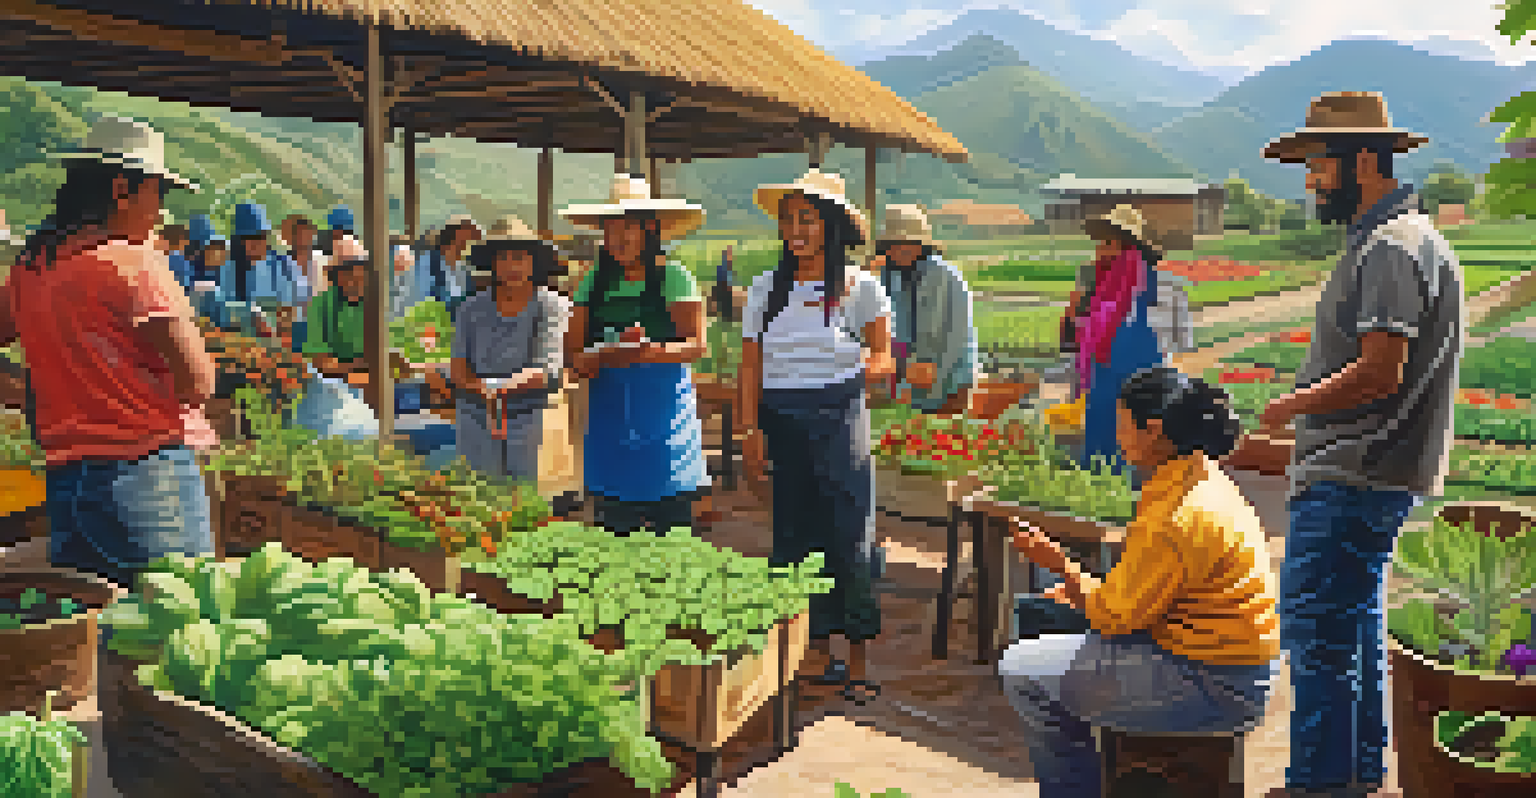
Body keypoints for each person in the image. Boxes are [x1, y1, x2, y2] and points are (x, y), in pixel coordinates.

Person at [1251, 91, 1460, 798]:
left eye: (1317, 165)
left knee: (1317, 636)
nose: (1309, 180)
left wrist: (1289, 406)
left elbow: (1379, 370)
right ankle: (1356, 775)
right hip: (1373, 473)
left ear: (1363, 159)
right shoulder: (1401, 238)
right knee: (1353, 630)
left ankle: (1318, 785)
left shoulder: (1392, 248)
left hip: (1353, 471)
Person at [1000, 366, 1280, 798]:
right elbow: (1144, 597)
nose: (1117, 436)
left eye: (1122, 424)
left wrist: (1058, 563)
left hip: (1211, 683)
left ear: (1152, 431)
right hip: (1229, 666)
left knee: (1020, 671)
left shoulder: (1178, 515)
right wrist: (1079, 591)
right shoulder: (1200, 477)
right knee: (1048, 620)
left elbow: (1117, 618)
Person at [0, 115, 216, 591]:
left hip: (66, 482)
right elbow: (198, 384)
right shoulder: (135, 263)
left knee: (99, 640)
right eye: (157, 195)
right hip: (146, 478)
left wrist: (26, 386)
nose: (160, 212)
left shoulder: (32, 268)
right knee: (179, 634)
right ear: (122, 188)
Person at [739, 169, 896, 705]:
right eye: (788, 220)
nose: (796, 229)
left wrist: (853, 371)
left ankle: (857, 660)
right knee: (794, 538)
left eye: (807, 218)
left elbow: (884, 358)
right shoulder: (766, 290)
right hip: (781, 418)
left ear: (830, 226)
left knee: (849, 535)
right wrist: (748, 430)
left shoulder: (861, 287)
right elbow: (749, 368)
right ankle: (815, 653)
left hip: (840, 414)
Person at [559, 174, 711, 536]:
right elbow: (574, 356)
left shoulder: (673, 277)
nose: (619, 238)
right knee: (614, 533)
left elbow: (695, 346)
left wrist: (647, 352)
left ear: (650, 231)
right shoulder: (593, 282)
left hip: (666, 431)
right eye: (611, 229)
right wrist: (601, 357)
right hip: (608, 430)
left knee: (672, 538)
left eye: (630, 227)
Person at [450, 216, 570, 484]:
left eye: (519, 258)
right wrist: (485, 391)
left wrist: (497, 388)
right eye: (503, 258)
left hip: (532, 420)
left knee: (529, 507)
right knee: (479, 502)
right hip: (476, 418)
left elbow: (547, 369)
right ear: (492, 263)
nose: (511, 266)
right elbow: (458, 369)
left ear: (532, 262)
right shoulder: (470, 309)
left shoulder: (552, 307)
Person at [1072, 204, 1165, 479]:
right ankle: (1096, 483)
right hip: (1104, 364)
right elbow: (1078, 315)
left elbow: (1164, 330)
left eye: (1109, 242)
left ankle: (1122, 490)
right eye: (1101, 242)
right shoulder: (1097, 276)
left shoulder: (1150, 279)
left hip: (1134, 365)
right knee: (1100, 421)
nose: (1101, 248)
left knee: (1128, 430)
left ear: (1129, 245)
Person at [868, 204, 977, 415]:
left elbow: (946, 335)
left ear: (921, 245)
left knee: (941, 437)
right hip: (907, 377)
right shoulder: (887, 275)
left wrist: (957, 387)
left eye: (907, 243)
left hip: (948, 374)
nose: (899, 250)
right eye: (893, 244)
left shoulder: (942, 274)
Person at [292, 234, 380, 440]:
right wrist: (365, 366)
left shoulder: (375, 305)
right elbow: (323, 364)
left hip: (368, 390)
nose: (355, 281)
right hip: (332, 393)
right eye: (348, 274)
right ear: (335, 276)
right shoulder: (321, 306)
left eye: (360, 274)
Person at [216, 202, 293, 339]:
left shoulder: (278, 266)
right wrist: (249, 314)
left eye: (261, 237)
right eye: (249, 238)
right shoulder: (229, 269)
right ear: (239, 242)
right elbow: (224, 309)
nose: (257, 244)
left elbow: (287, 305)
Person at [397, 215, 482, 319]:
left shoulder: (464, 270)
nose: (475, 247)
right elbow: (415, 304)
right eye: (471, 240)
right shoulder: (426, 266)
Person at [280, 214, 323, 353]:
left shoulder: (323, 261)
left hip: (319, 325)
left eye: (307, 233)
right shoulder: (281, 264)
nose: (303, 238)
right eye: (298, 234)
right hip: (291, 325)